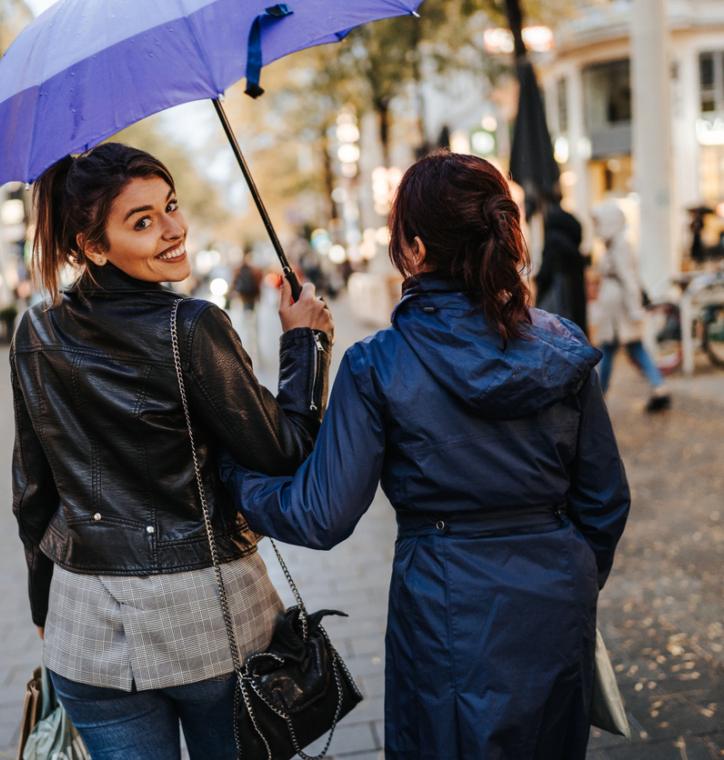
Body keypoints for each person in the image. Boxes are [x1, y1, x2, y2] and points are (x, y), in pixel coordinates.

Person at [220, 151, 632, 760]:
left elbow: (321, 514)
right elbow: (604, 500)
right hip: (555, 598)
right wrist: (567, 576)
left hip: (444, 604)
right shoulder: (562, 344)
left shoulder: (378, 364)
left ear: (413, 248)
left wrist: (232, 478)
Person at [10, 143, 334, 760]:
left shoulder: (35, 331)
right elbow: (285, 452)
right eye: (143, 221)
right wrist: (307, 346)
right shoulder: (191, 327)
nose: (174, 229)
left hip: (86, 632)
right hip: (210, 621)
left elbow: (32, 493)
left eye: (171, 206)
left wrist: (42, 606)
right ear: (92, 246)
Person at [591, 200, 671, 412]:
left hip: (620, 307)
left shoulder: (620, 245)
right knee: (632, 348)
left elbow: (628, 278)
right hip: (617, 305)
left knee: (613, 349)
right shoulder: (613, 244)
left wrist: (635, 308)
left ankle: (599, 395)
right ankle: (658, 387)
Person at [534, 205, 589, 332]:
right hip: (573, 306)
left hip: (558, 304)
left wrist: (537, 278)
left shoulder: (553, 242)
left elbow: (544, 275)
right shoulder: (573, 248)